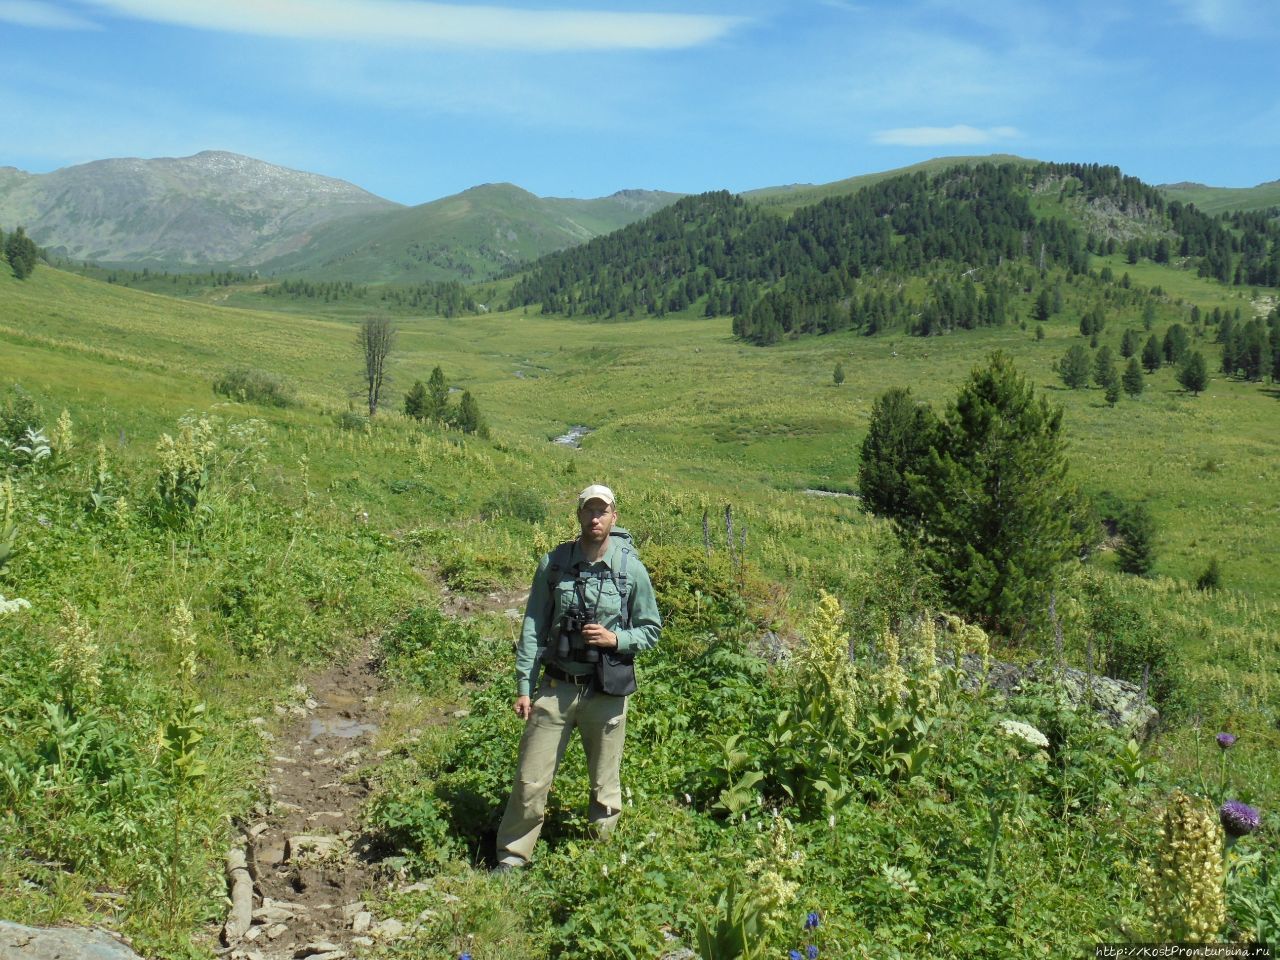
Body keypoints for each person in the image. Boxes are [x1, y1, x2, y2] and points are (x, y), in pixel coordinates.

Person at [493, 483, 662, 871]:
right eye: (589, 510)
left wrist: (614, 638)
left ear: (614, 516)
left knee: (605, 787)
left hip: (605, 691)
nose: (595, 518)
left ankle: (596, 861)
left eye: (603, 511)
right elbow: (533, 628)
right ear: (579, 515)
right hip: (555, 688)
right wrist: (524, 686)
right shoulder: (553, 565)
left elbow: (651, 629)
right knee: (530, 780)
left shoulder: (630, 569)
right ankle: (512, 858)